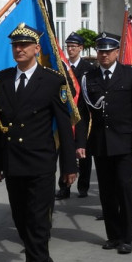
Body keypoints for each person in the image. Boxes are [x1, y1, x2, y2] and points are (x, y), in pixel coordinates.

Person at [0, 23, 78, 262]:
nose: (19, 49)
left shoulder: (52, 80)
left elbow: (64, 127)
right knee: (21, 219)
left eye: (25, 45)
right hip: (14, 163)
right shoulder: (1, 80)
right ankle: (44, 261)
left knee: (38, 221)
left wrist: (68, 165)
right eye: (15, 45)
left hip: (40, 163)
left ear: (37, 49)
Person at [81, 32, 132, 253]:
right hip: (100, 143)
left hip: (125, 142)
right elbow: (82, 114)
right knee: (106, 191)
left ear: (116, 52)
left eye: (108, 51)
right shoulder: (89, 77)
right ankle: (113, 235)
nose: (104, 55)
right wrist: (80, 142)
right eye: (100, 51)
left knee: (124, 188)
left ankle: (126, 237)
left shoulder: (129, 75)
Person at [56, 32, 95, 200]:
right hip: (65, 115)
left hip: (82, 116)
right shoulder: (61, 67)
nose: (71, 50)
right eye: (68, 47)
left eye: (74, 47)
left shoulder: (89, 69)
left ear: (81, 48)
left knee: (83, 151)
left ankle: (83, 186)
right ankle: (64, 187)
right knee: (65, 151)